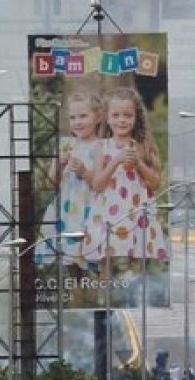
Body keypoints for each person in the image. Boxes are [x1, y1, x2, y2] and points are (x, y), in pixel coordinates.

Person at [88, 87, 167, 281]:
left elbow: (155, 183)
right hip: (109, 213)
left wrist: (138, 163)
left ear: (135, 118)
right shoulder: (102, 146)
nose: (121, 120)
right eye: (116, 115)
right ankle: (104, 299)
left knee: (138, 258)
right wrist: (115, 161)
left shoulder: (143, 145)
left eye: (127, 115)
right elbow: (97, 185)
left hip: (137, 211)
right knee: (107, 255)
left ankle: (136, 298)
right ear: (107, 117)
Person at [43, 89, 102, 271]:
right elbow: (50, 183)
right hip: (66, 209)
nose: (77, 122)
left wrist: (84, 171)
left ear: (98, 117)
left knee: (91, 257)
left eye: (83, 116)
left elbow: (100, 183)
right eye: (73, 118)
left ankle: (94, 296)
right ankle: (75, 295)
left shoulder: (101, 146)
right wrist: (59, 165)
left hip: (90, 207)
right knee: (69, 261)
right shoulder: (66, 145)